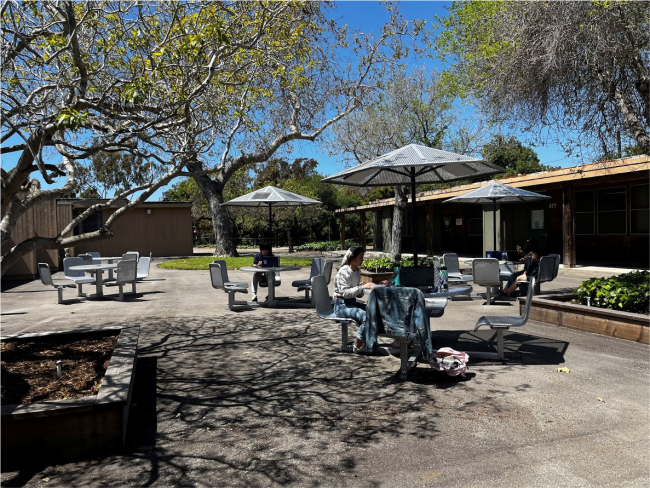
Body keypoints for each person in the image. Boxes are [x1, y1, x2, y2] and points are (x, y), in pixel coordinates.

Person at [333, 246, 374, 353]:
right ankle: (358, 345)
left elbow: (358, 295)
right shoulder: (343, 272)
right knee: (366, 316)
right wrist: (361, 288)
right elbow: (345, 293)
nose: (362, 260)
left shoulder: (356, 271)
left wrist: (362, 287)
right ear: (352, 257)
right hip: (341, 306)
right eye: (360, 257)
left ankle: (369, 341)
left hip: (351, 302)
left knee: (373, 311)